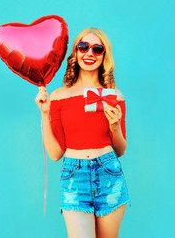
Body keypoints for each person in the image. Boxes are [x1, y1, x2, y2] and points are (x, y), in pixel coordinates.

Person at [35, 27, 131, 238]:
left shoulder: (114, 96)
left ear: (104, 55)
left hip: (109, 174)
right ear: (75, 53)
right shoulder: (59, 96)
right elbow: (54, 154)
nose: (89, 53)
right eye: (83, 47)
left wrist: (115, 125)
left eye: (97, 49)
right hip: (74, 176)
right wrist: (44, 113)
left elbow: (121, 149)